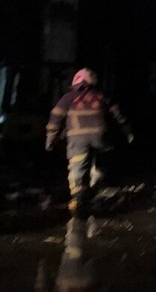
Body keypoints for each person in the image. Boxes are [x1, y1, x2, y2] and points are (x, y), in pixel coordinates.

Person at [45, 68, 133, 212]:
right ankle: (94, 184)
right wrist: (128, 133)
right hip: (101, 139)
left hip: (77, 141)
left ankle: (78, 198)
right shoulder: (102, 96)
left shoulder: (68, 97)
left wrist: (50, 140)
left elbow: (55, 119)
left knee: (77, 168)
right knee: (101, 164)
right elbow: (119, 116)